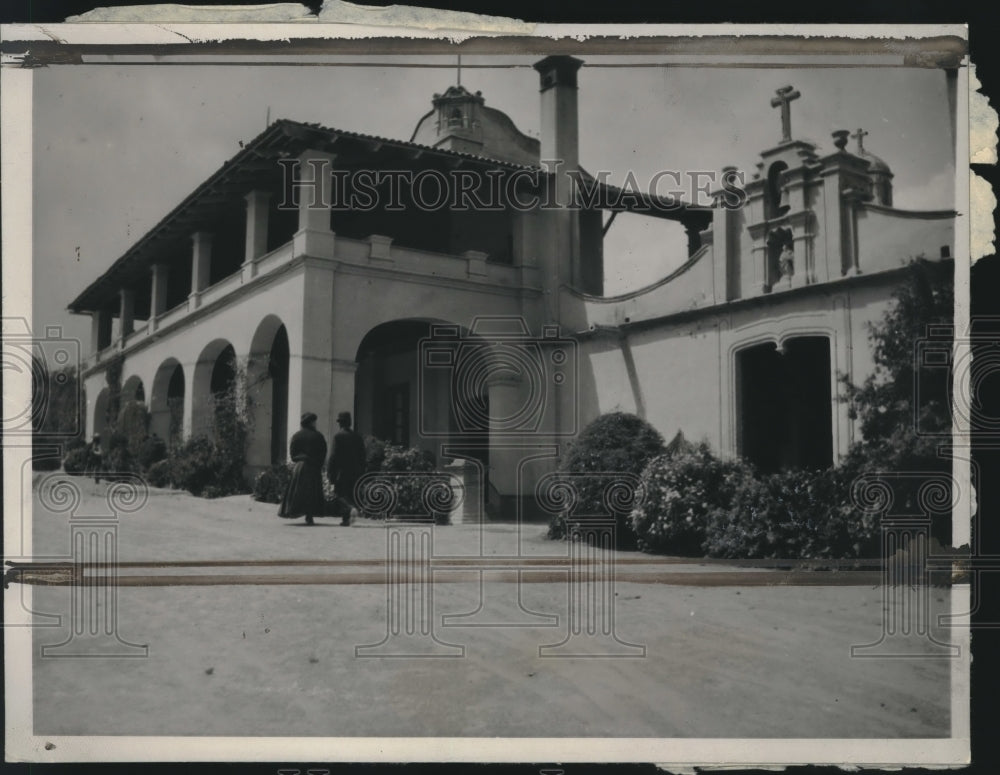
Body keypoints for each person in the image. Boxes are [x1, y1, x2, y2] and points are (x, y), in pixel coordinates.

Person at [278, 412, 328, 526]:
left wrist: (299, 460)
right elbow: (323, 453)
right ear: (311, 422)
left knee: (298, 491)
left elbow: (292, 453)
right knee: (312, 492)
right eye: (314, 421)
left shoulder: (297, 436)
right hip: (313, 466)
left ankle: (293, 511)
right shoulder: (318, 436)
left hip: (300, 467)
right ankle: (309, 515)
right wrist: (318, 464)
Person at [327, 411, 366, 526]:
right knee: (350, 493)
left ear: (340, 423)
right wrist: (362, 471)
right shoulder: (357, 437)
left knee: (340, 494)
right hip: (355, 471)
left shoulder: (338, 437)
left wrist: (330, 472)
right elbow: (362, 456)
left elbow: (333, 457)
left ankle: (350, 509)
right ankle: (346, 519)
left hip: (341, 472)